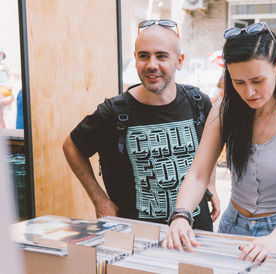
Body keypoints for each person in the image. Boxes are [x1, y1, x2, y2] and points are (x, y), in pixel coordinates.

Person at [163, 22, 276, 264]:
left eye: (257, 80)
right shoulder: (224, 111)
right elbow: (198, 174)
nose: (249, 91)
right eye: (239, 82)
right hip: (233, 231)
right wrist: (181, 215)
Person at [62, 20, 219, 231]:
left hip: (194, 233)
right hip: (137, 239)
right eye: (144, 56)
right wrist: (99, 200)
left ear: (179, 61)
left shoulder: (198, 103)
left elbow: (210, 147)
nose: (152, 65)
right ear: (135, 59)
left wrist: (211, 184)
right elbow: (71, 146)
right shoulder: (114, 112)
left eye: (161, 56)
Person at [0, 49, 14, 128]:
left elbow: (11, 76)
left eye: (1, 55)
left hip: (3, 89)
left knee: (5, 112)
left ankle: (8, 129)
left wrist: (10, 85)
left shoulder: (4, 66)